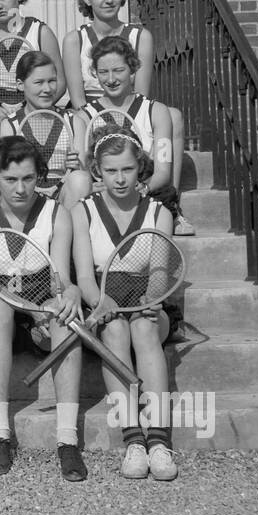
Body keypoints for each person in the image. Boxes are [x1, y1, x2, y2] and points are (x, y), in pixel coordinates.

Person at [0, 136, 89, 481]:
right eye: (10, 179)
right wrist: (30, 310)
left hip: (37, 302)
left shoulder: (56, 212)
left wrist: (70, 293)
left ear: (40, 176)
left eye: (29, 179)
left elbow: (59, 277)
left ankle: (67, 440)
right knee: (0, 308)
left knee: (64, 316)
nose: (20, 188)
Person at [75, 129, 179, 481]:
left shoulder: (160, 212)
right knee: (116, 329)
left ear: (141, 169)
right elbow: (86, 278)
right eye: (111, 171)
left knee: (144, 328)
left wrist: (153, 299)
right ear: (96, 172)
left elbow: (160, 273)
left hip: (150, 305)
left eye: (128, 170)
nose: (120, 179)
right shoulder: (83, 211)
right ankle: (133, 439)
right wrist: (99, 302)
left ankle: (160, 441)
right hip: (105, 303)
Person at [64, 0, 188, 216]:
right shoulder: (74, 39)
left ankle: (170, 203)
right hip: (92, 116)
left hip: (130, 114)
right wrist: (98, 119)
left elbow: (139, 96)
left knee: (171, 116)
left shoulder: (140, 36)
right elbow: (78, 100)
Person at [80, 35, 194, 236]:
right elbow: (85, 171)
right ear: (95, 74)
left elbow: (162, 172)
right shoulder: (83, 116)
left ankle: (174, 214)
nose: (111, 79)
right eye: (103, 72)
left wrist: (141, 188)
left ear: (132, 70)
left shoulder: (155, 111)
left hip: (144, 193)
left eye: (118, 70)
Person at [0, 50, 90, 209]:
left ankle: (69, 230)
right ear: (20, 84)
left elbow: (84, 175)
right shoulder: (9, 125)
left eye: (52, 81)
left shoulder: (75, 123)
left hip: (64, 198)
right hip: (25, 196)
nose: (47, 89)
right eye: (39, 82)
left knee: (80, 179)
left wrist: (77, 166)